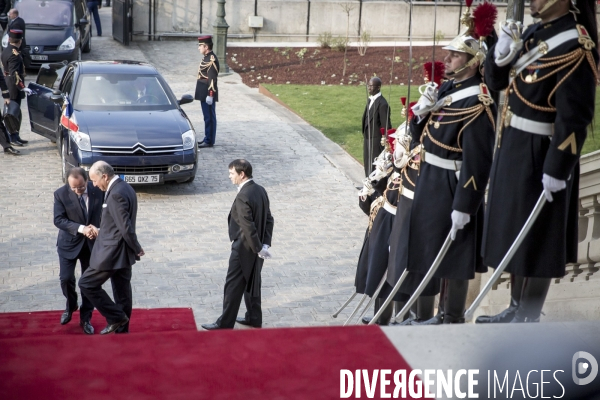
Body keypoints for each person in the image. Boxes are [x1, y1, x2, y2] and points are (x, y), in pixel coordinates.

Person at [478, 0, 598, 323]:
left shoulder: (577, 41)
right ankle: (515, 306)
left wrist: (558, 167)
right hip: (513, 145)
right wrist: (498, 55)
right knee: (517, 230)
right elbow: (496, 83)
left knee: (539, 235)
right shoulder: (533, 32)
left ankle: (528, 313)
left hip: (541, 152)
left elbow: (576, 114)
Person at [396, 3, 497, 325]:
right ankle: (424, 313)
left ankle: (450, 316)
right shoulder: (448, 89)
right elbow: (419, 138)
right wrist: (419, 115)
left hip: (453, 183)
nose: (447, 59)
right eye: (448, 54)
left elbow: (478, 160)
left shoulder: (476, 100)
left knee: (454, 251)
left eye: (454, 56)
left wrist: (466, 203)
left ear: (473, 62)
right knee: (427, 244)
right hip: (430, 177)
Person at [202, 159, 274, 330]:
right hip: (258, 248)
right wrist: (264, 246)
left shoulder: (243, 196)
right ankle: (254, 317)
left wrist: (257, 248)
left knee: (232, 286)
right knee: (253, 282)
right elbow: (269, 219)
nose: (229, 176)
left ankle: (225, 323)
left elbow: (247, 226)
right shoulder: (260, 190)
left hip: (243, 248)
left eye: (232, 173)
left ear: (242, 175)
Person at [78, 161, 144, 335]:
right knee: (122, 293)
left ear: (104, 176)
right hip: (122, 251)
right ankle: (122, 333)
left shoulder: (115, 194)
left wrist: (137, 247)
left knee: (86, 283)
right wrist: (101, 230)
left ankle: (116, 317)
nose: (94, 184)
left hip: (112, 253)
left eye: (94, 180)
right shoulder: (125, 187)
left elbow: (125, 226)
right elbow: (118, 223)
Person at [53, 167, 103, 334]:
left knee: (88, 283)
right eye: (73, 188)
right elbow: (59, 220)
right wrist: (82, 228)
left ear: (87, 180)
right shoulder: (60, 194)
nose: (77, 191)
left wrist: (98, 229)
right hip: (69, 243)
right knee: (66, 279)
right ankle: (71, 304)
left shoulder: (98, 190)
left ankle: (86, 318)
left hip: (91, 245)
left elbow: (107, 214)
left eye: (80, 187)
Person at [1, 29, 33, 146]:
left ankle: (16, 135)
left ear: (9, 39)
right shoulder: (14, 54)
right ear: (20, 41)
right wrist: (22, 87)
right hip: (13, 87)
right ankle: (12, 137)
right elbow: (14, 73)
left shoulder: (6, 50)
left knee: (17, 112)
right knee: (12, 113)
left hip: (9, 84)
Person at [362, 77, 391, 178]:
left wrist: (387, 142)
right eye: (368, 85)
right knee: (367, 162)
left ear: (378, 87)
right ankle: (368, 183)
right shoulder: (370, 100)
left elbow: (386, 125)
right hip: (367, 138)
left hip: (376, 140)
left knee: (374, 164)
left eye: (371, 86)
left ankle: (374, 186)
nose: (369, 88)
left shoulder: (382, 104)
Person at [195, 35, 219, 148]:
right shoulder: (206, 57)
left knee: (209, 117)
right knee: (206, 116)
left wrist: (210, 95)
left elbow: (212, 79)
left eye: (200, 46)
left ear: (206, 46)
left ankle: (209, 140)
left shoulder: (212, 59)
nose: (198, 48)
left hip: (207, 92)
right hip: (202, 91)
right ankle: (207, 137)